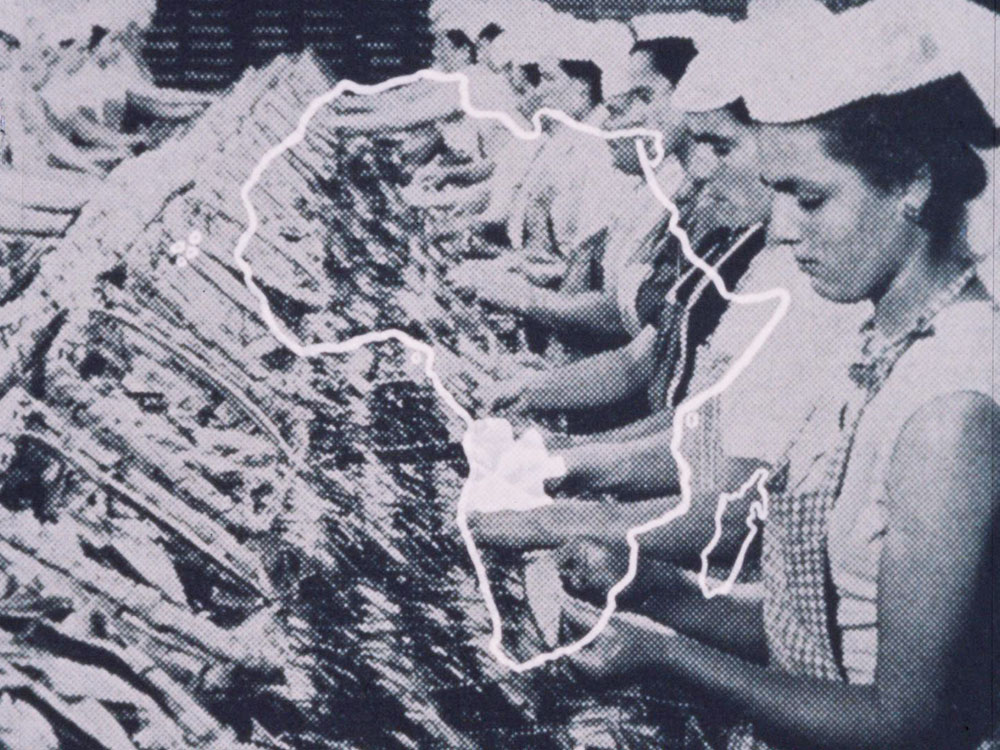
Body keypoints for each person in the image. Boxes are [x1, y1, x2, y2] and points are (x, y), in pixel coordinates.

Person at [555, 3, 1000, 748]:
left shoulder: (950, 409)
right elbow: (812, 624)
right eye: (778, 191)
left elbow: (905, 722)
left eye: (811, 197)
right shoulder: (877, 341)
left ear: (914, 185)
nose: (784, 228)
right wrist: (651, 586)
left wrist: (670, 655)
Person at [451, 15, 712, 351]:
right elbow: (583, 266)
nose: (622, 122)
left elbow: (629, 315)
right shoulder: (643, 178)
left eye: (644, 99)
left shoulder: (671, 188)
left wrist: (528, 299)